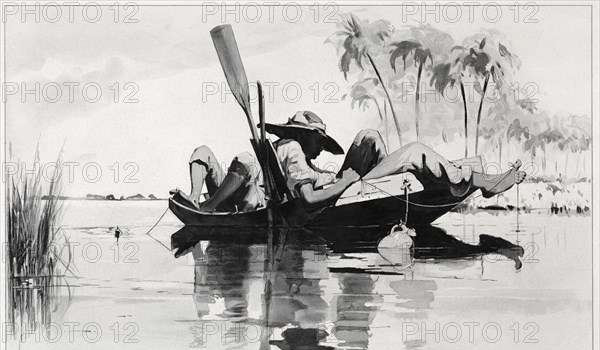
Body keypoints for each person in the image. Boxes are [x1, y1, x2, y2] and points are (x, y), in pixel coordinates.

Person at [174, 110, 526, 212]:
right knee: (415, 151)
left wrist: (194, 194)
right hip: (342, 190)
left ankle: (443, 178)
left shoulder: (289, 155)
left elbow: (202, 154)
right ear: (303, 136)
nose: (320, 147)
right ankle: (481, 182)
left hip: (345, 184)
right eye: (318, 140)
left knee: (370, 137)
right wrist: (342, 182)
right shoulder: (292, 149)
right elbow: (309, 199)